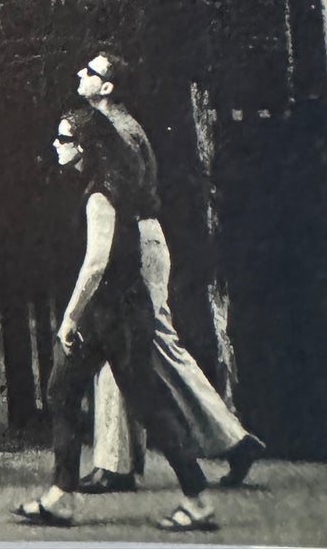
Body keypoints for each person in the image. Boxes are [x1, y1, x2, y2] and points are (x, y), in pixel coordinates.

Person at [13, 107, 216, 533]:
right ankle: (63, 496)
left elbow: (95, 264)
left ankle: (193, 500)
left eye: (63, 139)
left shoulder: (101, 195)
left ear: (83, 147)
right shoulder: (102, 187)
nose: (56, 144)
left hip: (114, 317)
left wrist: (69, 319)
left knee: (132, 402)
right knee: (72, 392)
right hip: (118, 313)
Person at [75, 50, 265, 493]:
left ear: (107, 87)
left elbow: (122, 197)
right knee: (131, 344)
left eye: (90, 72)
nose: (80, 75)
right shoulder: (112, 129)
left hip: (134, 242)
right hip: (134, 239)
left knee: (151, 340)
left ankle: (226, 443)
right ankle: (120, 463)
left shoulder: (119, 132)